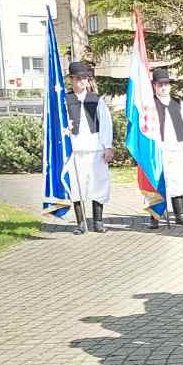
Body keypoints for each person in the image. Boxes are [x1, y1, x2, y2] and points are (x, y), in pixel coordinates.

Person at [65, 60, 112, 234]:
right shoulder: (65, 100)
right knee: (76, 187)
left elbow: (106, 124)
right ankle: (80, 223)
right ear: (71, 80)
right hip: (75, 151)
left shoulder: (96, 100)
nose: (81, 82)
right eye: (77, 78)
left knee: (98, 184)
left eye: (84, 78)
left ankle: (98, 222)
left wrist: (108, 147)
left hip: (96, 149)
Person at [149, 67, 183, 228]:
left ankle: (180, 215)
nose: (163, 87)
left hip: (176, 148)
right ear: (154, 86)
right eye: (159, 84)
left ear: (170, 85)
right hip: (157, 150)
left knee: (177, 181)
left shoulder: (179, 104)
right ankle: (155, 217)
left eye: (166, 84)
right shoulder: (149, 106)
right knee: (156, 183)